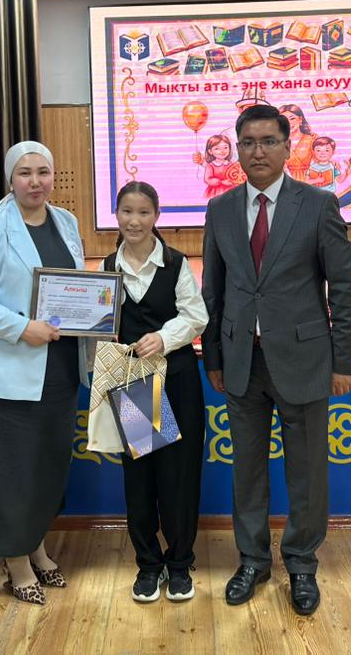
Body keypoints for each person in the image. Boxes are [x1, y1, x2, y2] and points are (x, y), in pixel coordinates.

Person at [201, 104, 351, 616]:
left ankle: (302, 564)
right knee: (247, 471)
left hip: (306, 360)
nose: (258, 151)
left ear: (289, 147)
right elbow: (213, 291)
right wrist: (213, 356)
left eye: (269, 141)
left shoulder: (318, 204)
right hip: (241, 362)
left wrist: (343, 362)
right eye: (248, 142)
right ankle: (252, 560)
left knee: (307, 474)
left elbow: (345, 288)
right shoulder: (220, 209)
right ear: (237, 149)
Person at [0, 141, 88, 606]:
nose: (35, 182)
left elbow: (75, 288)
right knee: (8, 470)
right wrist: (20, 328)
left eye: (43, 172)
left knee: (45, 466)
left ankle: (37, 546)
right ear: (10, 179)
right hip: (7, 370)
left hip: (60, 367)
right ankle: (15, 562)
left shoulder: (66, 221)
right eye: (25, 173)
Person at [100, 181, 208, 603]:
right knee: (141, 477)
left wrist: (164, 338)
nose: (134, 221)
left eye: (143, 212)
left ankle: (180, 564)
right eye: (127, 212)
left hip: (177, 379)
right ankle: (148, 564)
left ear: (156, 216)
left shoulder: (175, 263)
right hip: (135, 383)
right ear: (116, 215)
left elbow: (196, 315)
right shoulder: (107, 266)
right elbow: (99, 323)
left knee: (179, 476)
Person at [279, 104, 318, 181]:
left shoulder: (312, 140)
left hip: (309, 181)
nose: (288, 123)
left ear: (300, 119)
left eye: (292, 118)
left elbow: (321, 163)